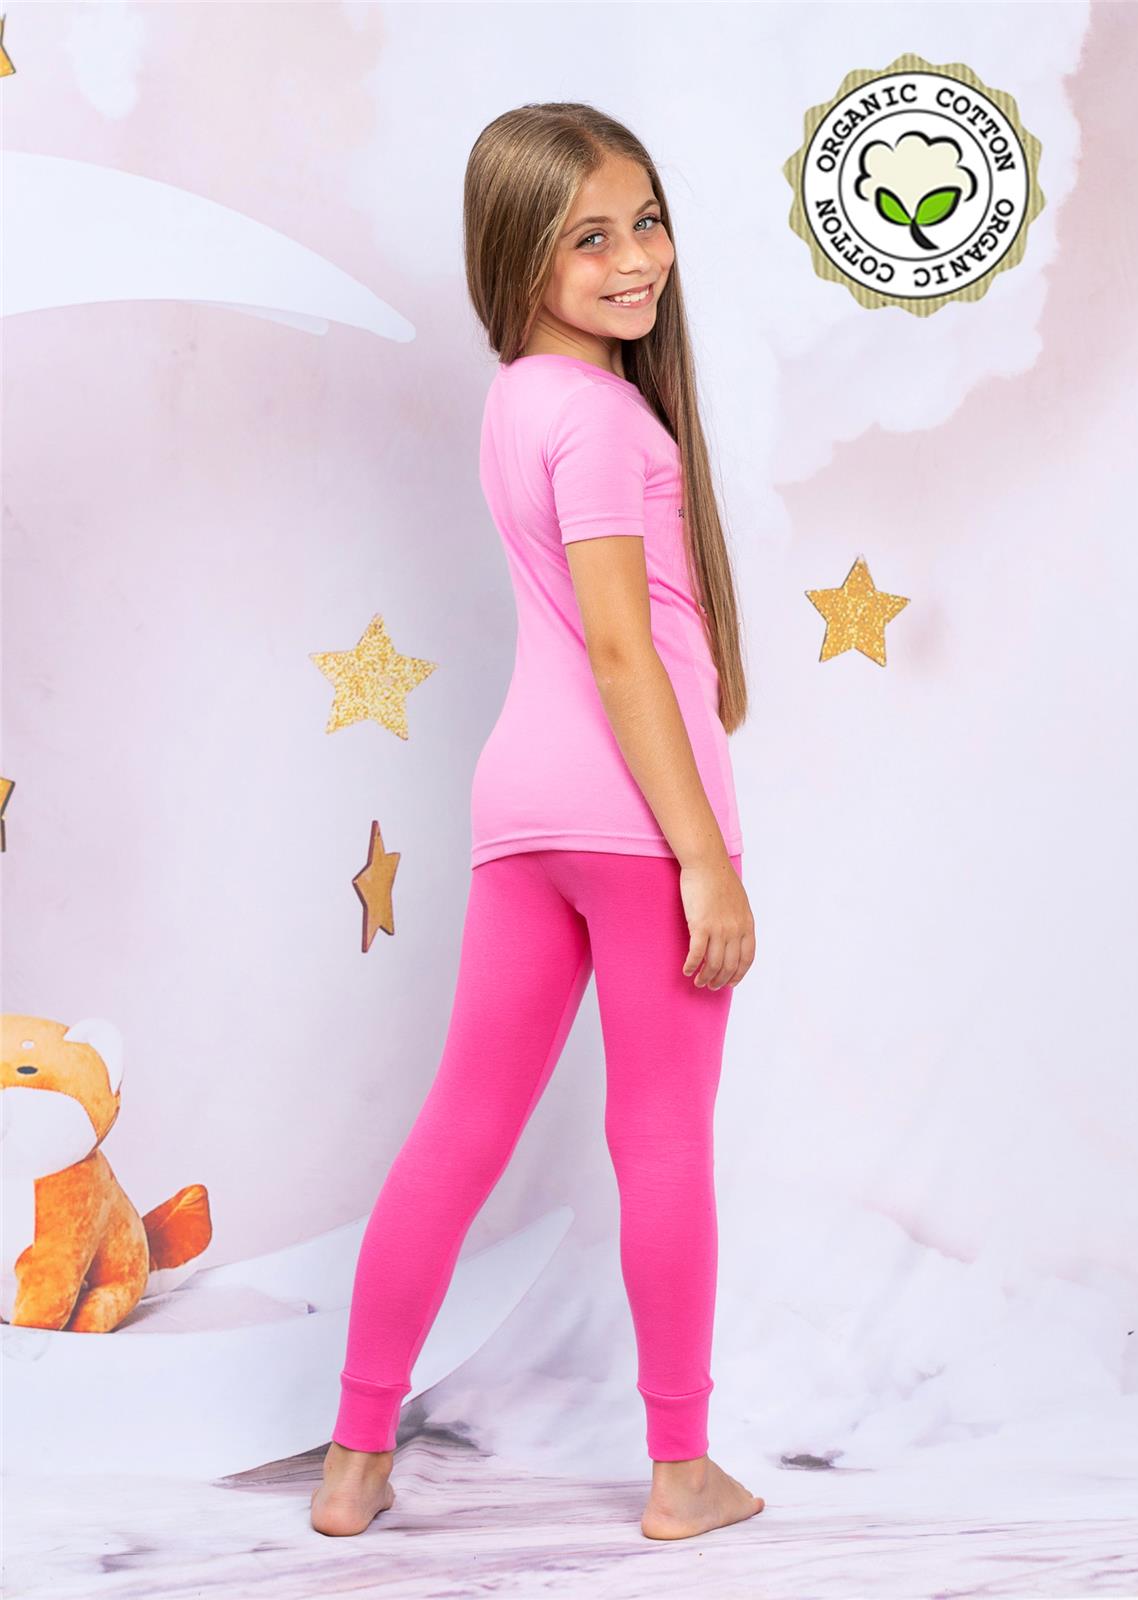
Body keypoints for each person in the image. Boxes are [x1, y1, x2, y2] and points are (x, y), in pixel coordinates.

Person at [312, 102, 762, 1544]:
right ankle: (683, 1473)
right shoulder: (605, 418)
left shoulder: (520, 399)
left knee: (460, 1127)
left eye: (647, 222)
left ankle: (355, 1459)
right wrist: (704, 859)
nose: (636, 260)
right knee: (663, 1138)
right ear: (517, 256)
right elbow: (624, 654)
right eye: (590, 239)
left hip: (523, 806)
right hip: (634, 815)